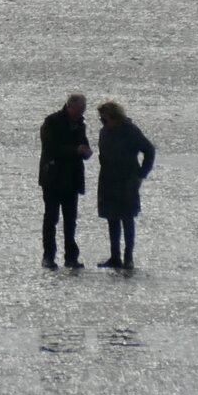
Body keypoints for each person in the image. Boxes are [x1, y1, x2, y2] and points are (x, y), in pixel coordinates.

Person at [94, 100, 156, 271]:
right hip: (108, 180)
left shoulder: (131, 132)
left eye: (105, 119)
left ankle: (128, 257)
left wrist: (141, 175)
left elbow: (149, 151)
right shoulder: (104, 133)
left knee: (127, 218)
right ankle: (115, 257)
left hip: (127, 181)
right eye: (101, 120)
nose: (103, 123)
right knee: (111, 218)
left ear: (115, 117)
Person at [37, 93, 91, 269]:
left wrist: (85, 151)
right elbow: (51, 148)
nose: (81, 113)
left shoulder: (80, 125)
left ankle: (71, 257)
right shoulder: (52, 122)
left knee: (70, 220)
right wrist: (76, 150)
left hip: (72, 180)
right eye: (79, 110)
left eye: (83, 110)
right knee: (51, 218)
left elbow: (83, 144)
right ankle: (48, 256)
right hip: (53, 178)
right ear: (70, 106)